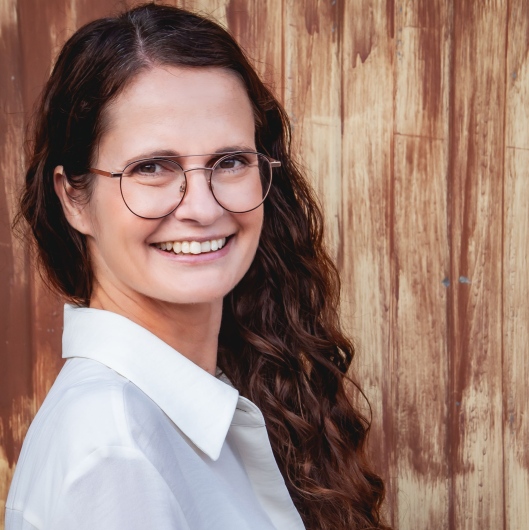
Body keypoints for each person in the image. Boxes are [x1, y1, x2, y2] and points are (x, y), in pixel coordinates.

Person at [5, 3, 389, 529]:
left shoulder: (210, 401)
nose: (204, 209)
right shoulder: (116, 450)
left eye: (230, 161)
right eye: (152, 167)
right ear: (74, 198)